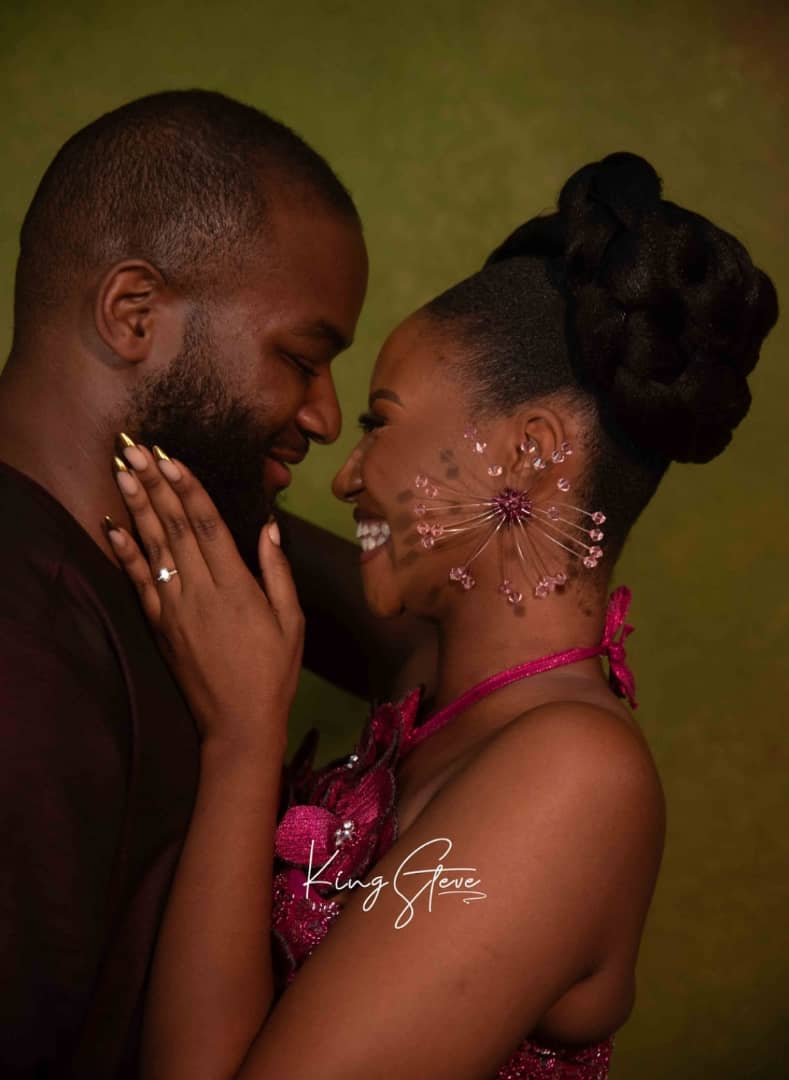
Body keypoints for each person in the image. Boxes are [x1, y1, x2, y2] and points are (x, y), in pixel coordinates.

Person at [108, 152, 777, 1080]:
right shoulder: (441, 672)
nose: (345, 475)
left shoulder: (574, 779)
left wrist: (243, 737)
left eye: (379, 422)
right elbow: (237, 539)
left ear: (529, 451)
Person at [0, 88, 369, 1078]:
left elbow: (433, 629)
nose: (327, 418)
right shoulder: (21, 649)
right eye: (301, 358)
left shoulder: (172, 564)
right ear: (133, 314)